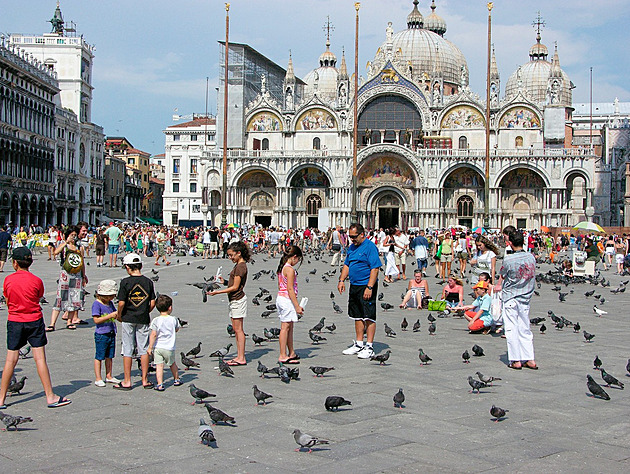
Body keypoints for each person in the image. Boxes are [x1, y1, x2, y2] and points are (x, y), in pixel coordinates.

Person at [0, 247, 71, 409]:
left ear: (14, 263)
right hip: (34, 320)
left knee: (11, 359)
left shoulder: (8, 280)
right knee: (40, 359)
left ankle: (1, 399)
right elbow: (39, 296)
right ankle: (50, 396)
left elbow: (6, 297)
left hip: (15, 320)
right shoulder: (36, 280)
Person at [338, 223, 381, 359]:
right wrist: (341, 280)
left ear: (362, 234)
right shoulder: (351, 247)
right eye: (350, 236)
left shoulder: (370, 247)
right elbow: (347, 264)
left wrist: (369, 287)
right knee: (357, 315)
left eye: (354, 236)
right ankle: (358, 343)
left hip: (366, 285)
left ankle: (369, 346)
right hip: (354, 285)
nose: (352, 239)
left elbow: (375, 268)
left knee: (368, 315)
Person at [114, 253, 156, 390]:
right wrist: (145, 311)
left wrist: (119, 315)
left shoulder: (125, 282)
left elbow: (121, 303)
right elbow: (152, 302)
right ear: (141, 266)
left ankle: (127, 381)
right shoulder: (148, 282)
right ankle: (145, 380)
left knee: (127, 348)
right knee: (144, 349)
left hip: (128, 317)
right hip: (143, 318)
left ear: (127, 267)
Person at [497, 229, 537, 370]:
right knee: (525, 328)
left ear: (511, 243)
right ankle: (529, 359)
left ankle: (515, 360)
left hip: (511, 297)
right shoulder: (531, 257)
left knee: (511, 328)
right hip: (526, 297)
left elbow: (503, 274)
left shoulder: (508, 259)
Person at [208, 241, 250, 366]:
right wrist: (225, 282)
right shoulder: (239, 265)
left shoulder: (240, 267)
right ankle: (239, 355)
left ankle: (241, 357)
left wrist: (217, 292)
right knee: (237, 330)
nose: (230, 258)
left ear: (239, 253)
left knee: (238, 330)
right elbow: (234, 284)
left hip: (237, 299)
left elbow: (235, 287)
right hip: (235, 300)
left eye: (232, 255)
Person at [48, 226, 87, 331]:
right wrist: (66, 242)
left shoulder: (79, 247)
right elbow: (55, 252)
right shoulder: (64, 246)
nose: (73, 238)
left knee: (74, 298)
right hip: (65, 275)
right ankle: (52, 323)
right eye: (71, 235)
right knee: (61, 297)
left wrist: (84, 276)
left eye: (75, 235)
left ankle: (70, 321)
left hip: (77, 275)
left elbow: (82, 262)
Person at [147, 294, 182, 391]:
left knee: (159, 366)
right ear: (170, 307)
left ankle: (160, 384)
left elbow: (153, 334)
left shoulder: (156, 320)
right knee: (172, 364)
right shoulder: (173, 319)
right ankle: (176, 379)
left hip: (158, 347)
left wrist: (150, 347)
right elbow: (176, 329)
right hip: (169, 347)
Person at [275, 245, 303, 364]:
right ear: (294, 257)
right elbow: (290, 289)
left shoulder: (282, 267)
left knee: (289, 327)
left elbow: (280, 285)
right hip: (287, 300)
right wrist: (297, 306)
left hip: (281, 298)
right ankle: (282, 354)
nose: (297, 262)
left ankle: (291, 352)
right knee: (285, 328)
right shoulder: (290, 269)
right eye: (298, 260)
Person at [91, 280, 121, 387]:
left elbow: (116, 314)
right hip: (101, 333)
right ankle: (98, 378)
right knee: (99, 356)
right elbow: (96, 320)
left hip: (111, 332)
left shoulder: (110, 303)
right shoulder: (97, 304)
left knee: (110, 356)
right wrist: (110, 316)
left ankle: (109, 375)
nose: (111, 298)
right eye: (109, 296)